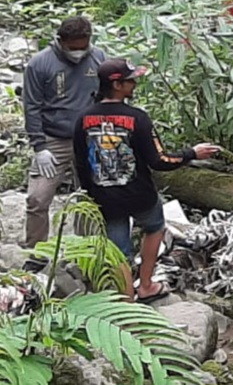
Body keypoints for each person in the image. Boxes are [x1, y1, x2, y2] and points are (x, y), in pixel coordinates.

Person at [73, 58, 220, 303]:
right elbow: (159, 160)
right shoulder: (137, 118)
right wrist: (191, 153)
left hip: (105, 197)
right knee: (154, 228)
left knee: (118, 250)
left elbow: (81, 163)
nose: (135, 83)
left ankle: (126, 299)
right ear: (117, 85)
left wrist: (92, 194)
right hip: (140, 194)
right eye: (131, 80)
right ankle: (147, 284)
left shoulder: (83, 119)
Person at [22, 16, 106, 254]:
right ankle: (37, 251)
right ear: (60, 41)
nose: (78, 53)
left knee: (90, 198)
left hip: (90, 138)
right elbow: (32, 106)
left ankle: (86, 249)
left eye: (83, 47)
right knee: (37, 199)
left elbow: (107, 96)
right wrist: (39, 147)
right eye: (73, 48)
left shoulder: (98, 58)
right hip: (53, 140)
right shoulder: (40, 64)